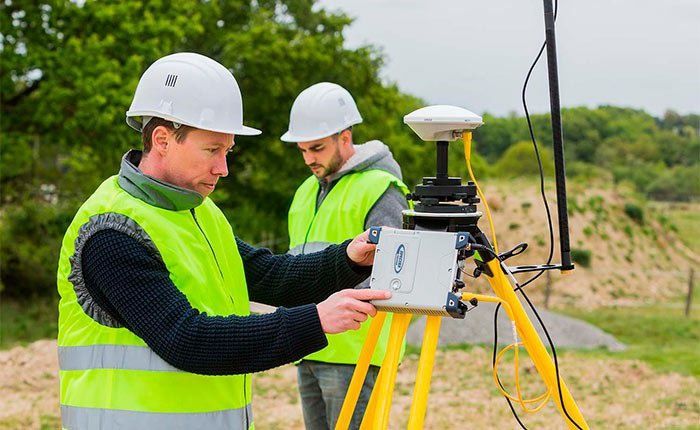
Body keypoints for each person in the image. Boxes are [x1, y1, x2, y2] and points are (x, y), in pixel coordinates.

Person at [55, 53, 391, 430]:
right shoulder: (112, 232)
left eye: (227, 151)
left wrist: (350, 258)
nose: (223, 168)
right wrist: (314, 321)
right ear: (162, 139)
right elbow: (184, 337)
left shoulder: (198, 211)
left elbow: (270, 276)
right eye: (212, 150)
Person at [282, 82, 409, 429]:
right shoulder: (305, 191)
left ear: (345, 136)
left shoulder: (380, 188)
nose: (309, 158)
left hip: (356, 351)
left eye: (317, 148)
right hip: (308, 342)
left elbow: (392, 275)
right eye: (302, 149)